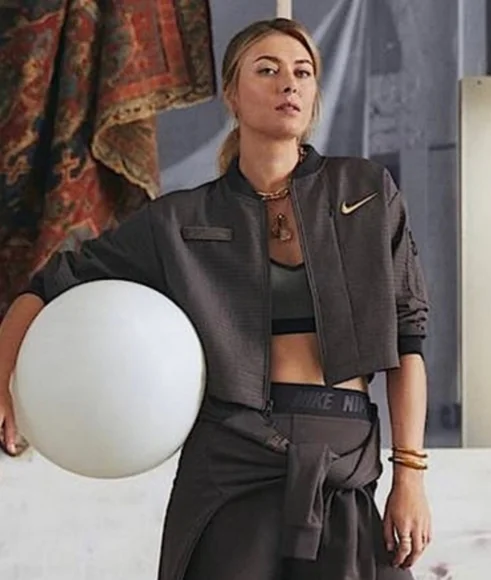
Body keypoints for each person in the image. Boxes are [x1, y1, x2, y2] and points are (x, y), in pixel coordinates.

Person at [0, 18, 431, 580]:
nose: (289, 83)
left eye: (303, 72)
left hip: (345, 460)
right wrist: (2, 380)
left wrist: (410, 475)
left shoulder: (367, 192)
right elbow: (49, 284)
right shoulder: (180, 220)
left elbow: (408, 337)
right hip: (232, 464)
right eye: (267, 70)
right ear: (232, 94)